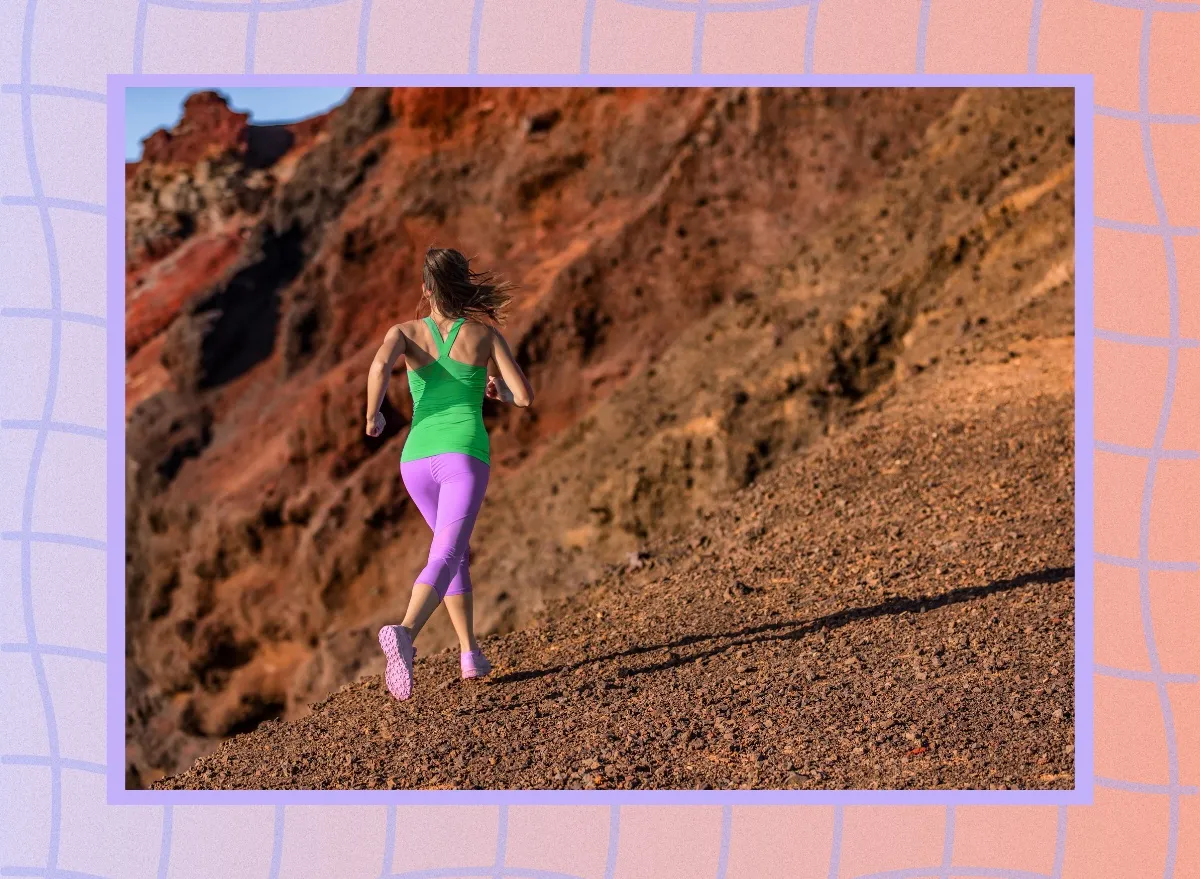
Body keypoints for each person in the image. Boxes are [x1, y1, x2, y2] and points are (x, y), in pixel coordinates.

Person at [364, 247, 533, 701]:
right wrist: (497, 392)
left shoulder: (403, 331)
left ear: (426, 290)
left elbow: (380, 365)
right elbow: (524, 396)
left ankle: (469, 653)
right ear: (461, 286)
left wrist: (373, 415)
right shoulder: (484, 336)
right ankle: (404, 632)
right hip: (463, 456)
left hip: (414, 460)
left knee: (453, 551)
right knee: (446, 552)